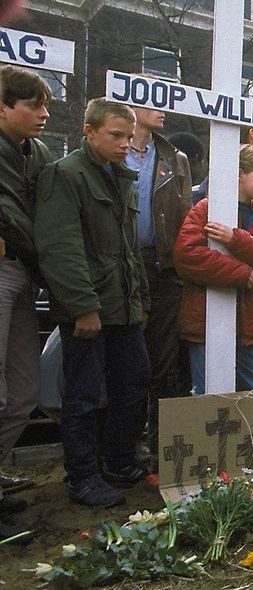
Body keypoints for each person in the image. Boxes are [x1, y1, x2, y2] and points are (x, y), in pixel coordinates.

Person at [35, 98, 152, 508]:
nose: (125, 144)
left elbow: (128, 250)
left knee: (134, 382)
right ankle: (82, 475)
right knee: (83, 394)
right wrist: (83, 307)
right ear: (89, 131)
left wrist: (139, 301)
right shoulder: (65, 175)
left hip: (122, 305)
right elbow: (61, 247)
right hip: (89, 307)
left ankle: (117, 460)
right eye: (115, 135)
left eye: (129, 135)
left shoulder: (120, 177)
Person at [174, 144, 253, 406]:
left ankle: (250, 447)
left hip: (247, 323)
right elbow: (187, 255)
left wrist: (236, 239)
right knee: (208, 399)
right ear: (239, 174)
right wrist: (242, 273)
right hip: (205, 320)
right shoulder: (205, 209)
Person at [0, 66, 52, 542]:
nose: (43, 114)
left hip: (25, 271)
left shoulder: (37, 153)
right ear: (3, 106)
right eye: (32, 105)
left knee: (23, 392)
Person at [125, 103, 192, 460]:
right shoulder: (110, 149)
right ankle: (121, 443)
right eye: (152, 102)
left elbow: (182, 214)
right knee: (123, 358)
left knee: (162, 361)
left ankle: (157, 446)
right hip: (120, 267)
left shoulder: (172, 157)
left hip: (161, 267)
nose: (162, 109)